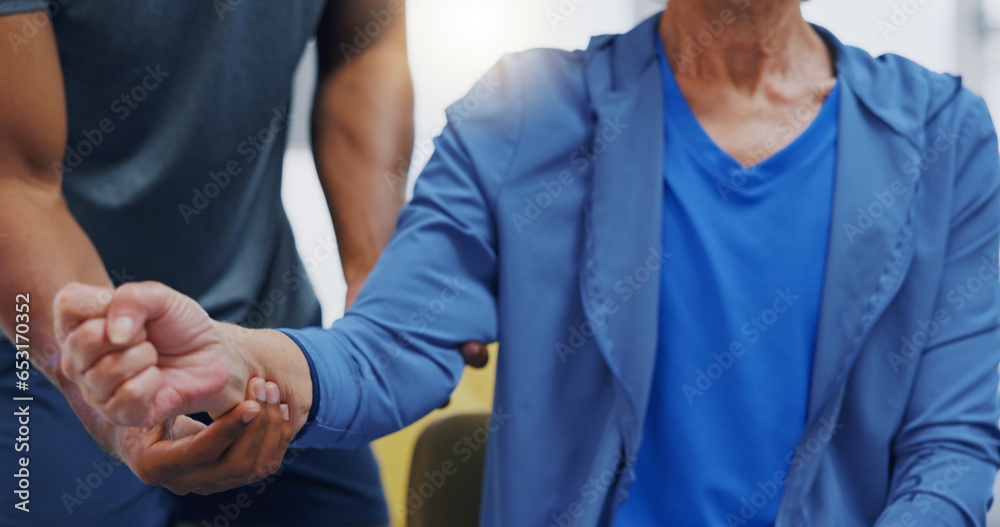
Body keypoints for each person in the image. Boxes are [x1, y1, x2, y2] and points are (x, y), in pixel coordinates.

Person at [56, 0, 1000, 525]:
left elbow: (953, 452)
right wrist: (241, 358)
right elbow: (389, 348)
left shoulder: (946, 140)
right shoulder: (525, 119)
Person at [0, 0, 486, 525]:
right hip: (47, 347)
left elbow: (365, 44)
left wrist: (379, 284)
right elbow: (14, 183)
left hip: (272, 329)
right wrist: (112, 395)